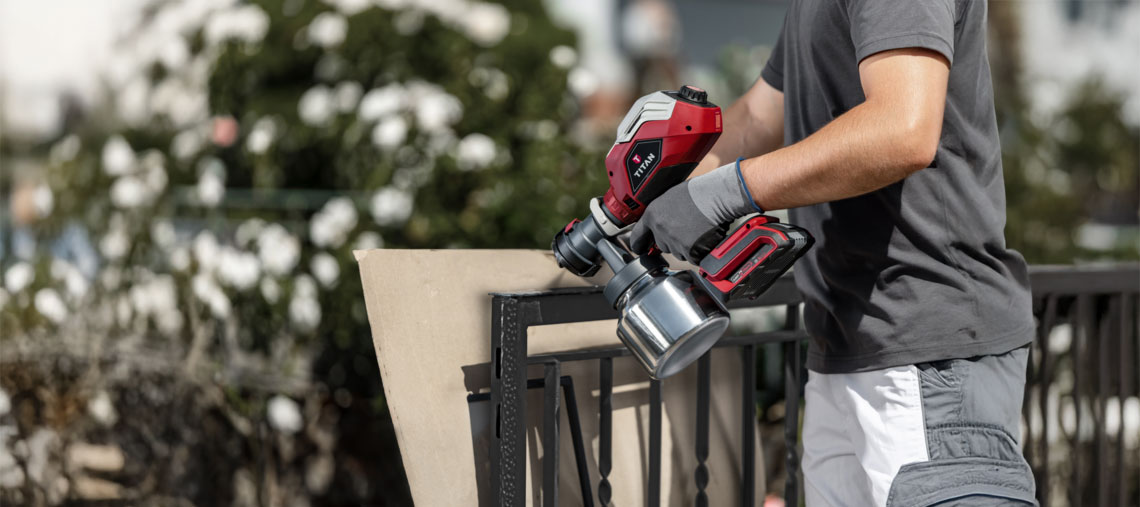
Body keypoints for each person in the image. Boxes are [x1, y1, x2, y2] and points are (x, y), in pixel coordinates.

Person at [629, 0, 1038, 505]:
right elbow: (760, 116)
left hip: (931, 355)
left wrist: (723, 193)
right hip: (842, 349)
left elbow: (902, 129)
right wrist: (640, 197)